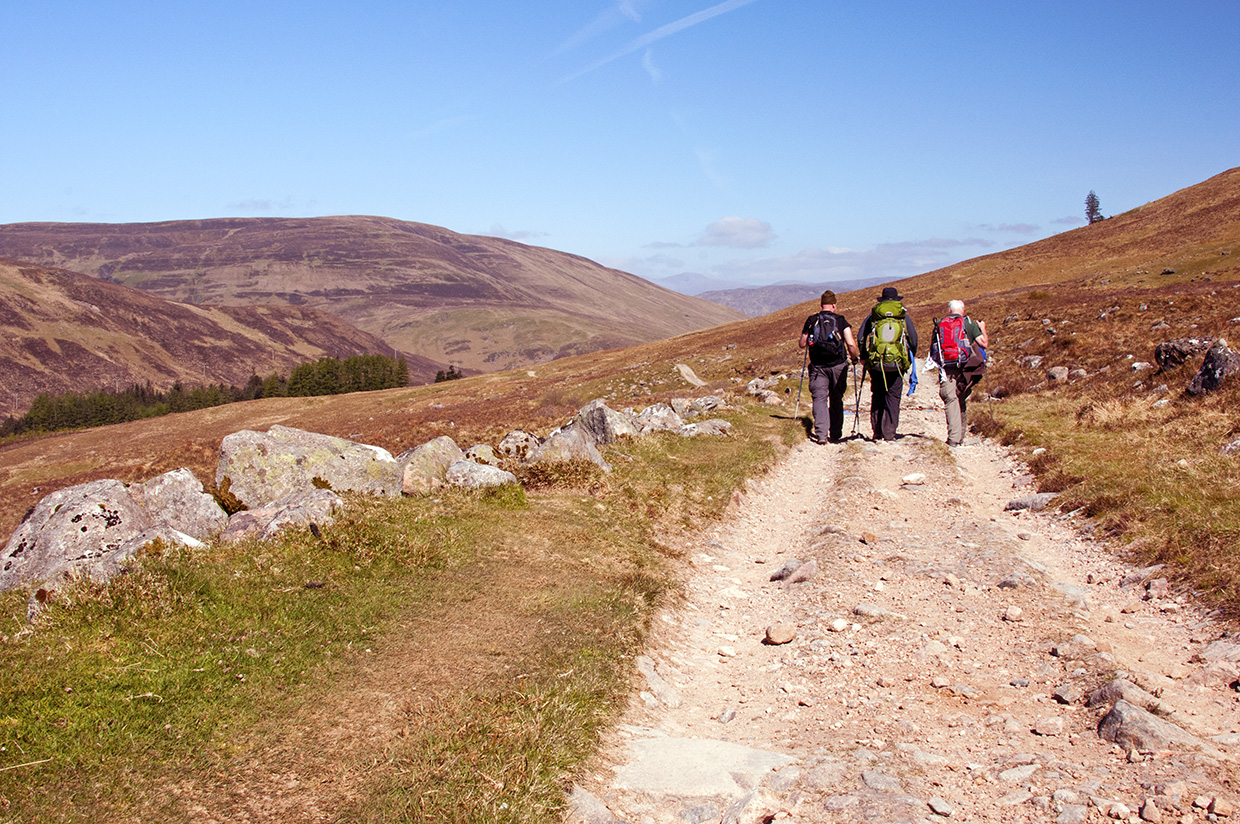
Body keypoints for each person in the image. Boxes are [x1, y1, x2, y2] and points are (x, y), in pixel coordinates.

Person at [798, 290, 860, 443]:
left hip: (818, 367)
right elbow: (851, 344)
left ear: (821, 304)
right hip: (838, 366)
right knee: (836, 398)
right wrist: (854, 358)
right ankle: (836, 434)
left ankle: (821, 435)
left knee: (819, 398)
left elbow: (802, 344)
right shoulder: (840, 320)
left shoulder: (812, 320)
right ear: (834, 305)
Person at [857, 286, 918, 441]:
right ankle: (889, 433)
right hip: (897, 363)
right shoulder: (902, 316)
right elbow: (914, 339)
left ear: (882, 300)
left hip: (876, 363)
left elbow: (861, 336)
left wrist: (864, 355)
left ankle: (877, 432)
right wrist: (909, 357)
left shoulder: (874, 316)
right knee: (893, 396)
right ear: (896, 299)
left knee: (878, 394)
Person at [929, 299, 989, 447]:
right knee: (960, 398)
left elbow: (933, 349)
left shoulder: (940, 324)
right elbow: (984, 344)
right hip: (965, 368)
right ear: (963, 310)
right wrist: (982, 328)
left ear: (949, 310)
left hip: (946, 369)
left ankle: (953, 438)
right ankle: (959, 437)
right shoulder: (969, 324)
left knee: (950, 399)